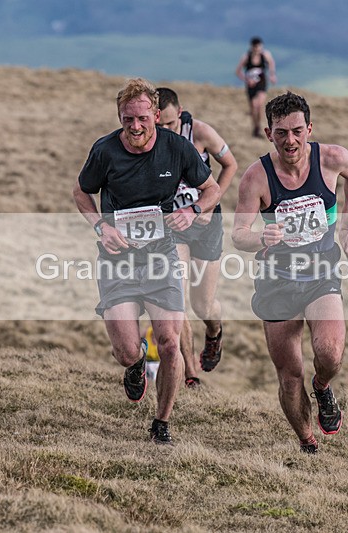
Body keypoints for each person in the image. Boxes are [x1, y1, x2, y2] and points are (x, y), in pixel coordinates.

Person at [72, 78, 221, 445]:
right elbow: (81, 191)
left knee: (170, 342)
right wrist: (100, 227)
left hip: (161, 258)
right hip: (118, 261)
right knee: (124, 351)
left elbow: (212, 188)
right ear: (120, 117)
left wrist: (194, 211)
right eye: (127, 120)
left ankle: (161, 423)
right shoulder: (105, 150)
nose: (135, 127)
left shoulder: (177, 148)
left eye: (142, 119)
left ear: (156, 114)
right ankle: (136, 365)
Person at [232, 91, 348, 454]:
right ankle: (308, 442)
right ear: (268, 134)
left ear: (309, 128)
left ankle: (322, 387)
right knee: (290, 377)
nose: (289, 141)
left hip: (321, 273)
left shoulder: (332, 159)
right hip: (277, 282)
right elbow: (238, 235)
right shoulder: (255, 178)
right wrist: (260, 236)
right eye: (280, 133)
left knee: (330, 352)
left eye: (296, 131)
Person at [156, 87, 238, 388]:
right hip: (172, 227)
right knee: (175, 296)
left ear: (180, 113)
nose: (163, 130)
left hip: (206, 224)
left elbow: (231, 164)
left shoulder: (200, 132)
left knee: (203, 304)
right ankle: (191, 373)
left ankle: (214, 332)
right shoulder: (149, 139)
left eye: (169, 124)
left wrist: (212, 201)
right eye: (158, 124)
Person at [235, 36, 277, 138]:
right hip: (251, 84)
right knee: (253, 106)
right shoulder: (246, 57)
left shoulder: (265, 55)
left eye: (259, 47)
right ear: (252, 47)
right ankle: (255, 127)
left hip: (261, 82)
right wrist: (247, 79)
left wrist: (272, 75)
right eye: (255, 47)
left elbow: (271, 63)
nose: (257, 49)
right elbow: (238, 71)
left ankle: (260, 127)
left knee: (260, 104)